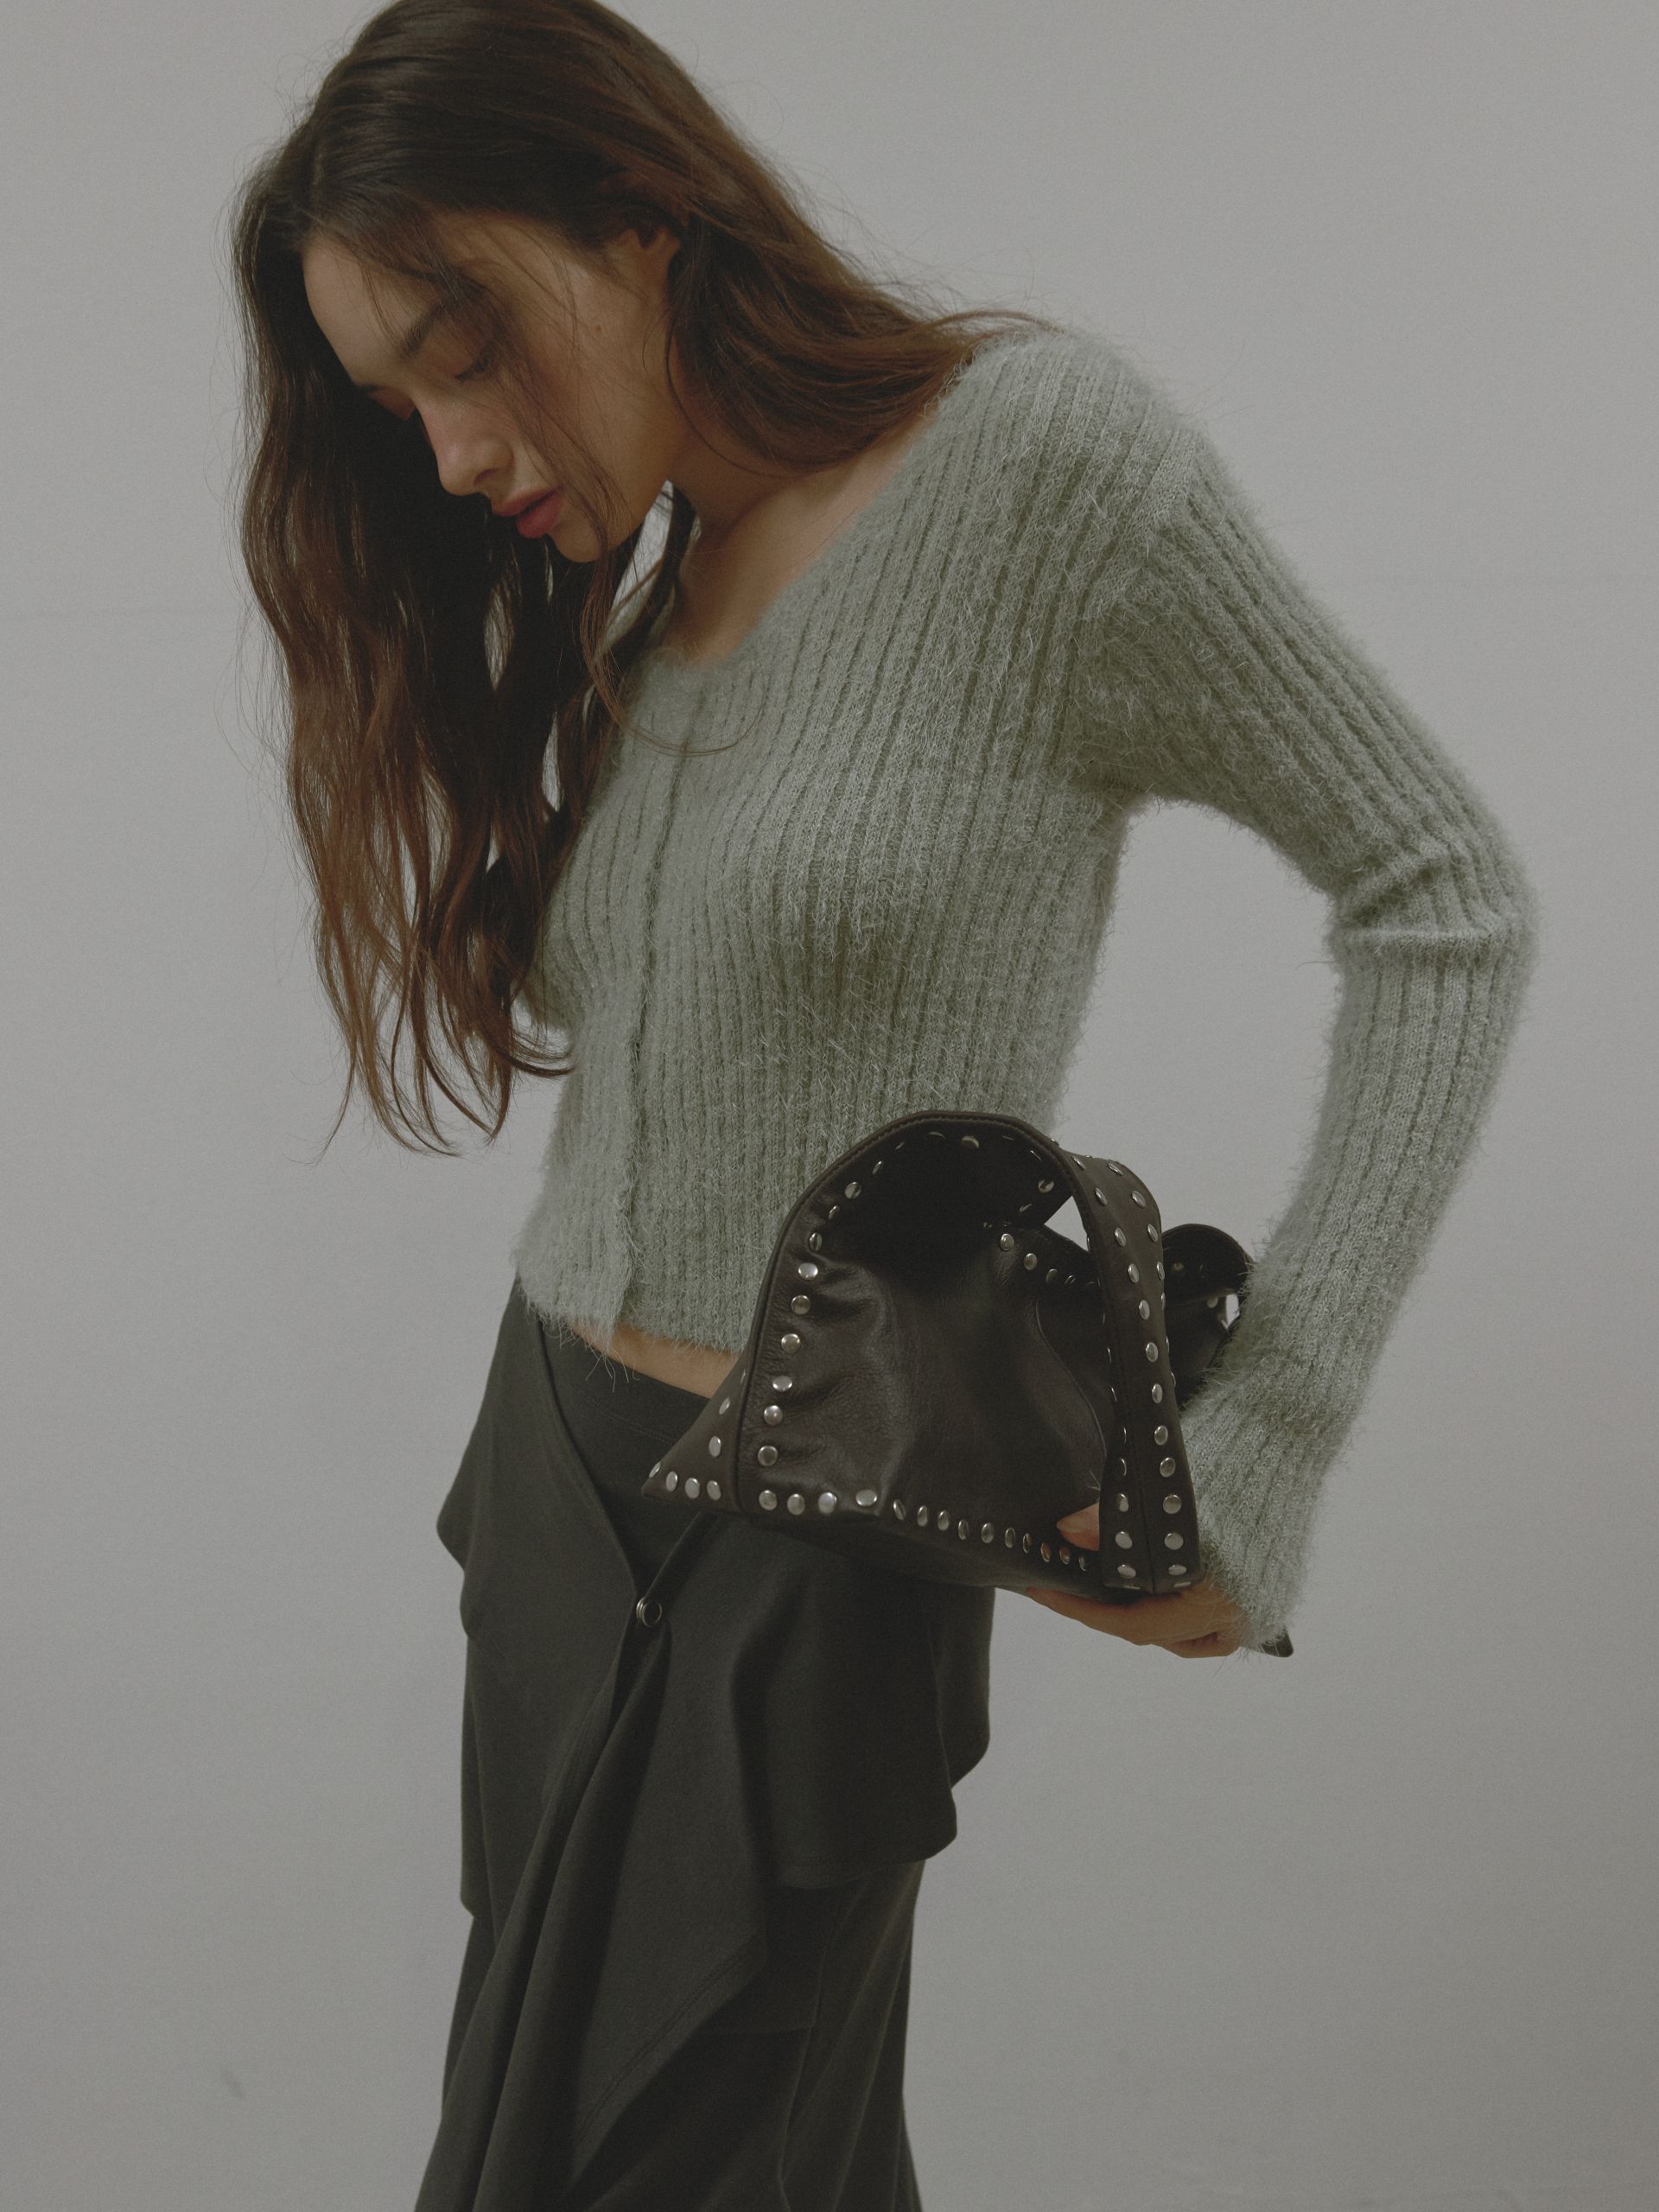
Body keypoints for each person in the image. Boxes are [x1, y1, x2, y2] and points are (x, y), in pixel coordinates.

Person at [225, 2, 1539, 2204]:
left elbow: (1444, 896)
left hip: (813, 1549)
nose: (447, 452)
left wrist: (1269, 1443)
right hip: (553, 1500)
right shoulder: (652, 587)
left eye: (464, 350)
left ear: (637, 215)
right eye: (397, 406)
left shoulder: (1039, 467)